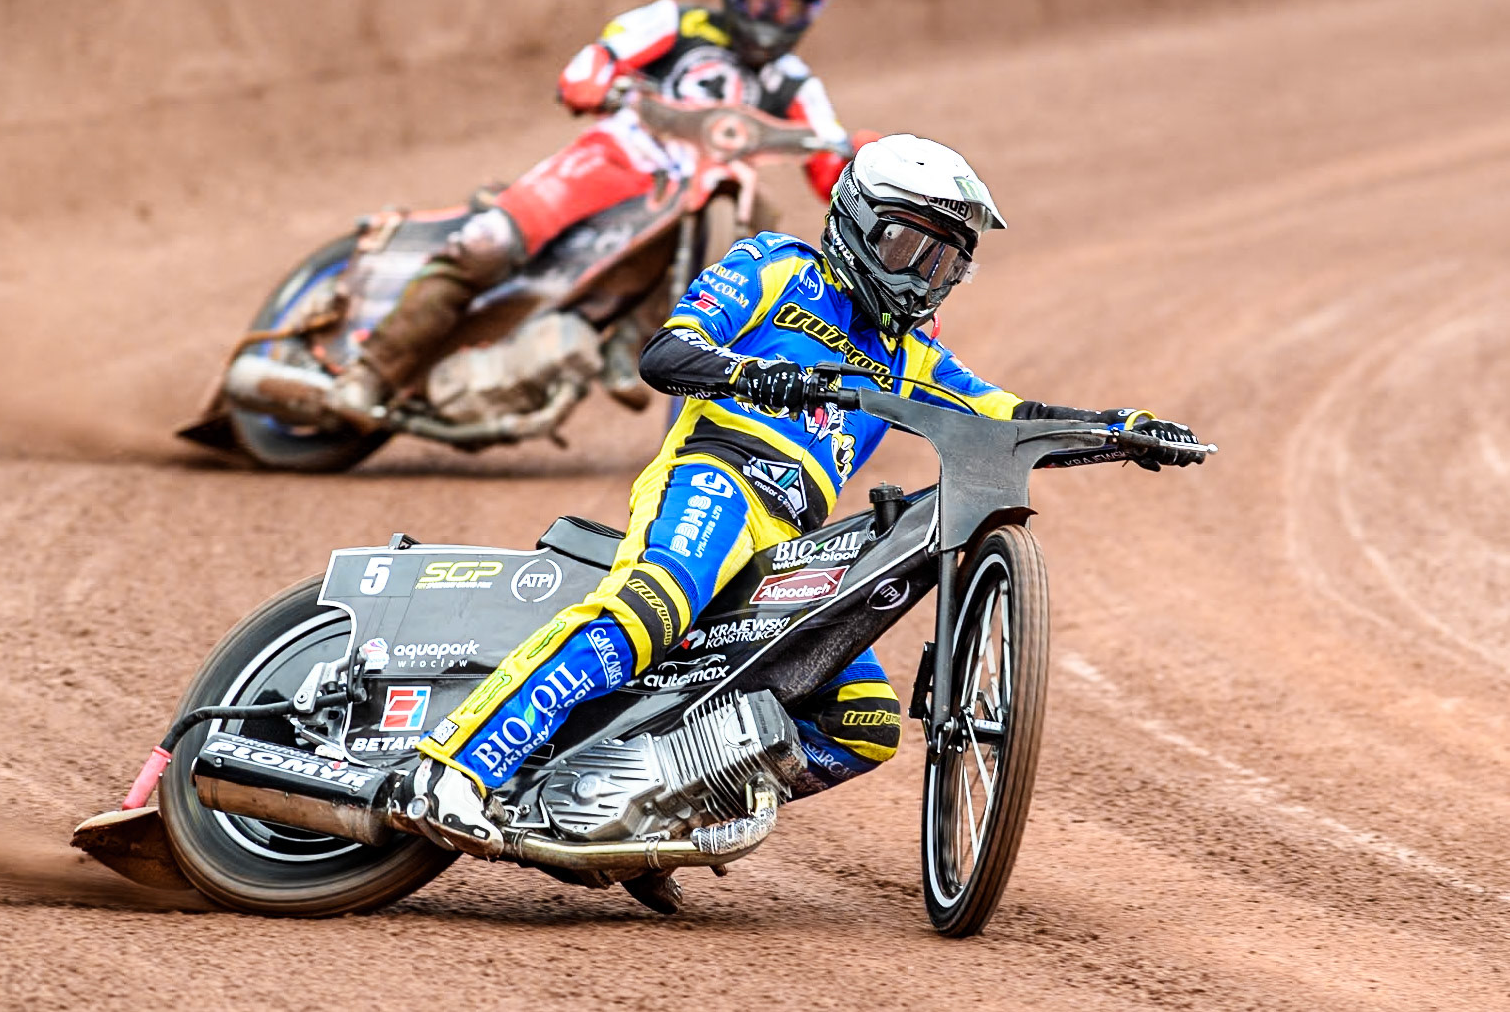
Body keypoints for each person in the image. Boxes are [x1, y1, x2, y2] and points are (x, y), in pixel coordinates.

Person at [398, 134, 1202, 862]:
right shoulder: (776, 268)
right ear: (856, 222)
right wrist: (759, 375)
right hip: (716, 476)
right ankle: (450, 770)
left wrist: (1118, 428)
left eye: (942, 263)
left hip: (791, 543)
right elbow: (666, 352)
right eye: (907, 247)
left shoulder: (914, 356)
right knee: (653, 605)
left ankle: (652, 809)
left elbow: (1007, 418)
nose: (921, 277)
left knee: (866, 723)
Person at [330, 0, 877, 428]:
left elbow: (830, 167)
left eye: (787, 9)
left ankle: (640, 340)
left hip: (692, 197)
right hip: (614, 161)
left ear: (811, 13)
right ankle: (370, 372)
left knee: (759, 226)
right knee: (489, 243)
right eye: (762, 1)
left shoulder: (795, 84)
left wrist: (863, 160)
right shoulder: (675, 21)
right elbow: (600, 55)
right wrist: (594, 79)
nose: (770, 19)